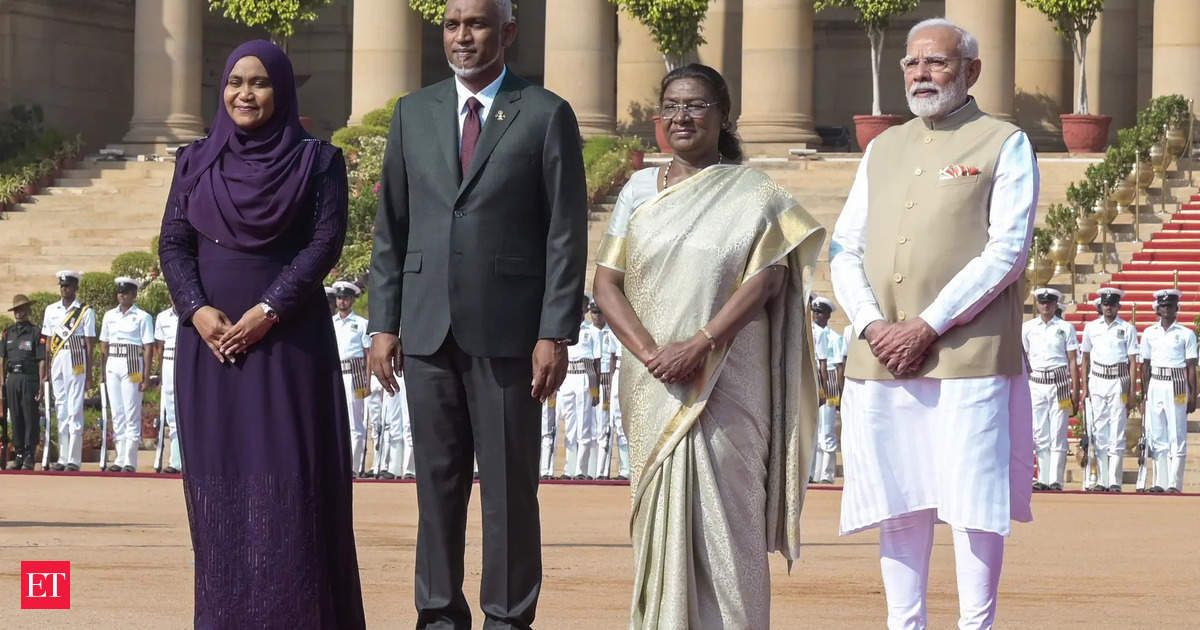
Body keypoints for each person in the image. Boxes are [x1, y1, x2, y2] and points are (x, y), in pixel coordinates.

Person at [365, 0, 587, 624]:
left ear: (507, 32)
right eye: (453, 24)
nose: (463, 36)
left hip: (511, 336)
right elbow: (393, 229)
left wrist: (554, 330)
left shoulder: (545, 114)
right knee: (436, 487)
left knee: (512, 490)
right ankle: (437, 613)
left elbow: (565, 234)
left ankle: (507, 617)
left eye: (478, 24)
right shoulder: (413, 113)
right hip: (427, 328)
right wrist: (384, 322)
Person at [593, 63, 824, 628]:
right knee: (658, 512)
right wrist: (653, 353)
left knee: (729, 519)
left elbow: (767, 279)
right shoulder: (639, 189)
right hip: (654, 384)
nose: (682, 116)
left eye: (696, 105)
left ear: (725, 116)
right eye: (671, 105)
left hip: (727, 380)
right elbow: (605, 281)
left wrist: (701, 343)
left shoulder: (755, 193)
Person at [829, 18, 1038, 629]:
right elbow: (845, 247)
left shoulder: (1003, 142)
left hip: (967, 353)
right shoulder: (882, 147)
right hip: (883, 354)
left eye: (937, 63)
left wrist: (928, 325)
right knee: (899, 498)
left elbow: (1007, 251)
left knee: (973, 501)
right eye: (912, 64)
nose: (922, 74)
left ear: (970, 71)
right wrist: (871, 325)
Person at [158, 40, 365, 627]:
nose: (244, 94)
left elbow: (324, 244)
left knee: (289, 482)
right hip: (210, 350)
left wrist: (268, 310)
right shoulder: (194, 161)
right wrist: (197, 310)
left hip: (287, 346)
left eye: (259, 83)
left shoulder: (316, 162)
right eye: (234, 82)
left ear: (282, 90)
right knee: (221, 486)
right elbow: (173, 243)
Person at [1137, 289, 1197, 493]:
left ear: (1176, 308)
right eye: (1162, 306)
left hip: (1177, 382)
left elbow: (1191, 366)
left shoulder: (1185, 333)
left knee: (1177, 433)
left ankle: (1174, 482)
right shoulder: (1149, 333)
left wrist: (1193, 395)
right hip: (1156, 382)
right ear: (1157, 309)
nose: (1166, 310)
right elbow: (1144, 365)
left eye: (1169, 306)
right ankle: (1159, 481)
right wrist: (1144, 394)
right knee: (1157, 434)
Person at [1080, 287, 1138, 492]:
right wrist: (1084, 387)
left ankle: (1115, 480)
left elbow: (1133, 361)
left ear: (1118, 306)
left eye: (1112, 304)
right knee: (1099, 430)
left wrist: (1132, 390)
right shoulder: (1091, 328)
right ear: (1101, 306)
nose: (1109, 308)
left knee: (1117, 429)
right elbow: (1085, 359)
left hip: (1118, 380)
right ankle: (1102, 479)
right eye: (1105, 304)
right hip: (1097, 379)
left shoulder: (1127, 328)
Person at [1022, 288, 1079, 491]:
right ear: (1037, 304)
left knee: (1058, 431)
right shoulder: (1027, 328)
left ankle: (1056, 479)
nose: (1045, 306)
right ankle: (1043, 478)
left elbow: (1072, 361)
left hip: (1060, 382)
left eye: (1049, 303)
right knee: (1039, 433)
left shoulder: (1066, 327)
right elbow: (1024, 359)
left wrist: (1075, 390)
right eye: (1042, 302)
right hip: (1036, 382)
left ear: (1056, 304)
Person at [98, 277, 155, 472]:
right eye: (120, 292)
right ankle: (119, 457)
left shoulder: (142, 316)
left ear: (134, 295)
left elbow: (148, 347)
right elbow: (104, 345)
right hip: (113, 361)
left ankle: (130, 459)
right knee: (117, 412)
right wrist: (102, 371)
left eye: (126, 292)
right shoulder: (109, 315)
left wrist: (146, 376)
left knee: (131, 410)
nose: (122, 295)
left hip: (132, 361)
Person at [41, 270, 96, 471]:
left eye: (68, 286)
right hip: (57, 358)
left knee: (74, 408)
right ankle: (62, 457)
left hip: (75, 358)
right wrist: (47, 369)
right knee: (61, 407)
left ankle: (74, 458)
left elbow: (90, 343)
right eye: (62, 286)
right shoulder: (51, 310)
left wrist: (89, 373)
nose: (65, 289)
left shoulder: (85, 311)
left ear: (76, 288)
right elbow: (48, 341)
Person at [332, 280, 371, 475]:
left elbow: (368, 353)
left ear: (352, 300)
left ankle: (355, 467)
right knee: (336, 420)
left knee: (356, 422)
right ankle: (339, 465)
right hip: (336, 372)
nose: (342, 301)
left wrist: (368, 380)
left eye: (345, 298)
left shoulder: (361, 323)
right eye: (339, 297)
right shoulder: (331, 323)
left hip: (356, 373)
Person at [1, 295, 45, 470]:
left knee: (30, 416)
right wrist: (1, 383)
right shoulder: (8, 332)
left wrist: (42, 382)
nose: (19, 313)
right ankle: (18, 453)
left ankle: (29, 454)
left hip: (29, 378)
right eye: (17, 310)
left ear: (29, 310)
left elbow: (41, 359)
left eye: (22, 309)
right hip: (12, 379)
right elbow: (1, 359)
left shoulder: (35, 332)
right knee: (16, 416)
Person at [562, 298, 601, 480]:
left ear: (586, 309)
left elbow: (598, 362)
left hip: (585, 375)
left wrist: (596, 390)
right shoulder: (563, 329)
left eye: (582, 307)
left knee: (584, 425)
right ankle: (568, 468)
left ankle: (580, 469)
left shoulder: (592, 331)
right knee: (569, 424)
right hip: (568, 375)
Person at [810, 295, 841, 484]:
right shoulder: (811, 332)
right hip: (815, 379)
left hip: (828, 381)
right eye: (814, 312)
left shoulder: (835, 338)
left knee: (827, 430)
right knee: (814, 430)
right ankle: (813, 472)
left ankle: (827, 474)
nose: (816, 316)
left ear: (828, 315)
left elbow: (838, 366)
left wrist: (837, 392)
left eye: (820, 312)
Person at [154, 297, 182, 473]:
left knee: (186, 412)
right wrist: (161, 377)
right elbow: (160, 348)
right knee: (171, 414)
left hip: (184, 362)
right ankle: (175, 461)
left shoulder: (190, 315)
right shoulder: (162, 317)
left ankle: (185, 460)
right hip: (168, 362)